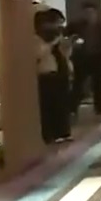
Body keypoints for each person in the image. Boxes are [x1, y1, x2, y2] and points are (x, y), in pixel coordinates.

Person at [66, 3, 101, 115]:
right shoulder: (76, 26)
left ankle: (99, 108)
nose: (89, 15)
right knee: (78, 83)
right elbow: (66, 36)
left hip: (98, 58)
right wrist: (73, 41)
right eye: (87, 12)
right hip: (82, 58)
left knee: (98, 84)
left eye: (91, 12)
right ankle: (72, 108)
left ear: (96, 13)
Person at [35, 8, 72, 143]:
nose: (58, 26)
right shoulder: (36, 39)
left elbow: (65, 56)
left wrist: (66, 48)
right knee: (47, 107)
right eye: (55, 23)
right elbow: (38, 54)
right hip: (45, 75)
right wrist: (52, 44)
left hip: (59, 74)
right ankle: (49, 134)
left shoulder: (58, 38)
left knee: (61, 104)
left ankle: (62, 132)